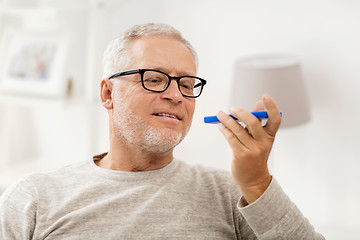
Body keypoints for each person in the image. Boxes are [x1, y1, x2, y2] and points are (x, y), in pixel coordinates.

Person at [0, 23, 324, 239]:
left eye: (186, 83)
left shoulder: (229, 194)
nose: (176, 95)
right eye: (154, 79)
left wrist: (256, 182)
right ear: (108, 94)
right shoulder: (34, 198)